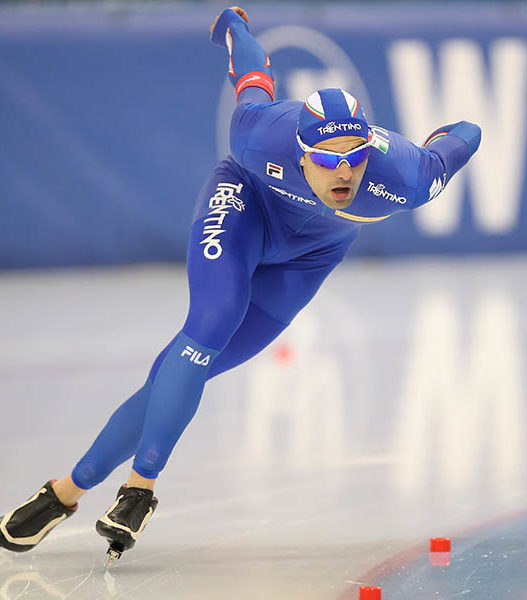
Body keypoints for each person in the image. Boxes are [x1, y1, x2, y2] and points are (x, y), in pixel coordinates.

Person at [0, 6, 481, 565]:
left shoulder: (407, 176)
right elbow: (252, 77)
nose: (344, 174)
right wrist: (234, 24)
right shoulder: (260, 134)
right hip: (245, 209)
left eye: (354, 159)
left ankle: (63, 493)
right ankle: (141, 487)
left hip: (310, 258)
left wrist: (438, 139)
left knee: (186, 368)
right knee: (208, 324)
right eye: (327, 160)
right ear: (302, 152)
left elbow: (466, 136)